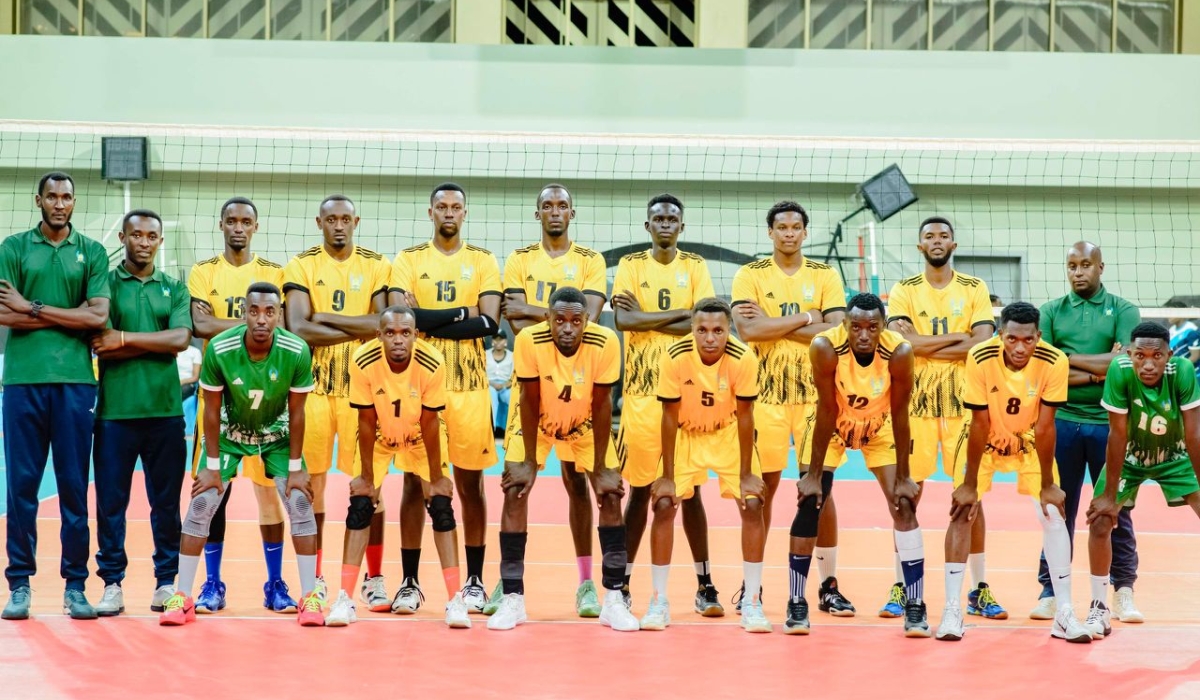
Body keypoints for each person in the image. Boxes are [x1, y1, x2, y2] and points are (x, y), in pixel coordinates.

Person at [160, 282, 322, 626]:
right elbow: (209, 410)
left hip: (276, 434)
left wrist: (295, 468)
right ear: (243, 313)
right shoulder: (220, 348)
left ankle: (309, 597)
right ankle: (183, 596)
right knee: (202, 504)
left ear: (279, 315)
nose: (261, 319)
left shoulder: (296, 350)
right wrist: (213, 468)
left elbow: (298, 413)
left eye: (269, 312)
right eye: (254, 311)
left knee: (300, 502)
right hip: (229, 432)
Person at [938, 302, 1091, 643]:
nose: (1020, 347)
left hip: (1029, 439)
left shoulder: (1055, 361)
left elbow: (1048, 426)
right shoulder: (979, 356)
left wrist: (1049, 485)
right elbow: (978, 423)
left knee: (1053, 513)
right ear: (999, 335)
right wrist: (968, 484)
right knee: (963, 510)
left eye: (1028, 339)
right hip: (985, 437)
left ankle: (1064, 613)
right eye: (1012, 339)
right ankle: (952, 609)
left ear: (1039, 336)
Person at [488, 286, 639, 632]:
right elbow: (526, 397)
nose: (568, 328)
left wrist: (601, 468)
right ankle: (513, 599)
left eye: (575, 320)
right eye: (560, 320)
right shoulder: (528, 340)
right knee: (515, 490)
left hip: (585, 420)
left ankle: (613, 599)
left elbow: (602, 404)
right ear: (547, 319)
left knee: (611, 493)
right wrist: (528, 460)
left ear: (587, 320)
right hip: (537, 419)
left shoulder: (605, 342)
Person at [494, 183, 613, 618]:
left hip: (578, 383)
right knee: (515, 486)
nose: (555, 211)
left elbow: (590, 318)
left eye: (562, 205)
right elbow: (514, 315)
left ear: (572, 213)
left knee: (577, 484)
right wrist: (561, 314)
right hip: (534, 379)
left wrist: (542, 314)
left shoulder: (591, 260)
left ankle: (586, 584)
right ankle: (507, 585)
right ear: (537, 213)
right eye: (548, 205)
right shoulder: (520, 259)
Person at [1, 172, 110, 621]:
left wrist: (33, 306)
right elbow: (4, 313)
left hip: (75, 384)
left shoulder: (94, 252)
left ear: (74, 201)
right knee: (22, 488)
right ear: (38, 200)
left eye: (66, 197)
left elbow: (98, 317)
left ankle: (75, 586)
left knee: (72, 489)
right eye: (52, 196)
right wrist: (68, 316)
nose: (60, 203)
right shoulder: (12, 248)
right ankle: (20, 584)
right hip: (23, 382)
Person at [785, 293, 927, 636]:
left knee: (904, 505)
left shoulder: (900, 352)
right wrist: (814, 476)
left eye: (872, 327)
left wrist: (905, 477)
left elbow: (900, 412)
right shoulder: (824, 346)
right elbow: (825, 408)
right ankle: (797, 601)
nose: (864, 334)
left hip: (879, 426)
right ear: (845, 324)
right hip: (832, 424)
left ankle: (915, 605)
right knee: (810, 503)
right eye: (856, 327)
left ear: (882, 327)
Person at [730, 200, 848, 614]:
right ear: (770, 232)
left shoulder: (825, 275)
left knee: (821, 493)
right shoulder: (750, 274)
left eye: (796, 227)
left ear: (805, 232)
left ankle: (828, 585)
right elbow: (747, 330)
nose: (789, 233)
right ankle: (753, 589)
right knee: (760, 494)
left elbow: (837, 331)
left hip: (818, 397)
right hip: (765, 398)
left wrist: (775, 324)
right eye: (781, 227)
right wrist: (805, 317)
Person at [389, 183, 501, 614]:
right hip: (418, 385)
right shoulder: (409, 259)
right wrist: (463, 313)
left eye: (456, 207)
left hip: (470, 387)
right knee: (414, 483)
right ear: (430, 212)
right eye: (441, 207)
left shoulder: (483, 260)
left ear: (465, 213)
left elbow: (490, 323)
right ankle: (410, 582)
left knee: (470, 484)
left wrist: (429, 320)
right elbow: (402, 320)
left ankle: (474, 580)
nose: (448, 213)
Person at [326, 306, 470, 628]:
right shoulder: (363, 360)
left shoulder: (432, 361)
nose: (398, 340)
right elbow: (365, 419)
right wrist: (365, 476)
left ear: (416, 335)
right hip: (378, 433)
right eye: (390, 333)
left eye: (405, 333)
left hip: (420, 433)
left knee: (442, 507)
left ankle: (455, 600)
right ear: (379, 336)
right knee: (361, 506)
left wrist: (435, 478)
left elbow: (431, 421)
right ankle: (345, 599)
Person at [611, 194, 721, 615]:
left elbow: (704, 322)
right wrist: (681, 317)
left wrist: (650, 317)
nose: (665, 223)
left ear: (681, 226)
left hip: (687, 396)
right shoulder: (630, 266)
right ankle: (620, 583)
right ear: (647, 226)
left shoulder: (694, 266)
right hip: (640, 399)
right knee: (639, 494)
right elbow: (623, 320)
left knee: (689, 494)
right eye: (657, 218)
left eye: (672, 218)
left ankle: (705, 584)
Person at [187, 196, 295, 614]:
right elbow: (200, 325)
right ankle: (212, 584)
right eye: (231, 220)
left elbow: (281, 326)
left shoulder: (273, 272)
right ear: (221, 225)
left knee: (270, 497)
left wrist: (232, 324)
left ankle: (275, 584)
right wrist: (256, 323)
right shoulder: (204, 272)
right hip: (219, 398)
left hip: (267, 400)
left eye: (245, 221)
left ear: (256, 226)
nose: (238, 227)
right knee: (216, 493)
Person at [885, 217, 997, 619]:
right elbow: (903, 345)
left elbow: (983, 343)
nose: (937, 241)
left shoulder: (974, 288)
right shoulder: (904, 290)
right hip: (916, 405)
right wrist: (958, 339)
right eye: (929, 236)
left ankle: (979, 588)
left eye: (943, 235)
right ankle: (902, 584)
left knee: (971, 496)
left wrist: (925, 345)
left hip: (964, 404)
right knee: (906, 496)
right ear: (920, 247)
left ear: (954, 242)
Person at [284, 194, 391, 602]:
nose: (339, 225)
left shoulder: (377, 264)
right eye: (331, 219)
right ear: (319, 222)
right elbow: (296, 328)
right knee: (311, 487)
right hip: (312, 388)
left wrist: (324, 317)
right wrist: (359, 328)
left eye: (346, 218)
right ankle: (315, 580)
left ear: (356, 221)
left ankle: (375, 577)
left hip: (361, 390)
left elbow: (382, 324)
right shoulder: (301, 265)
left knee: (370, 484)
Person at [640, 298, 769, 632]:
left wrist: (745, 475)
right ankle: (658, 600)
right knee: (664, 505)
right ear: (693, 329)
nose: (710, 337)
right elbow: (668, 417)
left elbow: (746, 416)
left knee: (753, 505)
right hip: (685, 433)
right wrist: (667, 476)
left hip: (727, 433)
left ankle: (752, 601)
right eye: (702, 330)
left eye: (718, 330)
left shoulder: (743, 357)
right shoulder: (674, 356)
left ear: (729, 330)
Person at [91, 210, 193, 617]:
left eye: (152, 235)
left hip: (165, 413)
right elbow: (101, 342)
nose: (144, 241)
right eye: (136, 234)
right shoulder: (105, 285)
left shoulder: (173, 287)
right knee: (110, 505)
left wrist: (124, 339)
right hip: (115, 414)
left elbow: (181, 339)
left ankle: (166, 582)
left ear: (160, 241)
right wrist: (155, 341)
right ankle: (112, 584)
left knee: (165, 505)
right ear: (123, 237)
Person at [1034, 242, 1142, 622]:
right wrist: (1101, 368)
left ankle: (1123, 589)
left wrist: (1066, 359)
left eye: (1085, 265)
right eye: (1071, 266)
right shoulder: (1051, 310)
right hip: (1060, 420)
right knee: (1056, 508)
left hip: (1110, 424)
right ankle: (1050, 589)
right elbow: (1043, 360)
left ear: (1100, 267)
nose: (1078, 272)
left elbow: (1128, 360)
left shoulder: (1123, 309)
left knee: (1115, 508)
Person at [1085, 322, 1200, 638]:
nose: (1148, 364)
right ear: (1129, 354)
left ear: (1169, 355)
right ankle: (1098, 608)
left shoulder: (1184, 371)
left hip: (1175, 455)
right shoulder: (1119, 371)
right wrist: (1109, 495)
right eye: (1140, 356)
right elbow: (1117, 433)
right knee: (1100, 521)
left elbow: (1194, 434)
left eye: (1156, 356)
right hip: (1132, 457)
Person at [488, 331, 513, 437]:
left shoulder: (512, 356)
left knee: (512, 396)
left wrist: (504, 385)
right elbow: (480, 374)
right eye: (496, 339)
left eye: (501, 339)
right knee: (492, 395)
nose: (498, 342)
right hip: (489, 384)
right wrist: (492, 384)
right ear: (492, 341)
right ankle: (491, 430)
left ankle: (512, 429)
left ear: (505, 341)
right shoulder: (485, 354)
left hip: (506, 386)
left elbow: (514, 376)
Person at [1165, 300, 1200, 374]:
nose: (1168, 315)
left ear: (1181, 313)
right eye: (1168, 312)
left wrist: (1180, 368)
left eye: (1171, 312)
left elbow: (1195, 356)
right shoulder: (1171, 330)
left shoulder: (1191, 329)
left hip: (1193, 372)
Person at [178, 342, 202, 437]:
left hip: (188, 383)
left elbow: (195, 377)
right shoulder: (173, 350)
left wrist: (182, 381)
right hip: (173, 381)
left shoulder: (195, 352)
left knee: (178, 392)